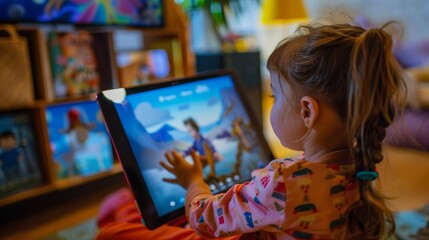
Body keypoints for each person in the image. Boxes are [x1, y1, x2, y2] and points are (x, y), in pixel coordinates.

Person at [96, 22, 406, 239]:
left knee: (113, 231)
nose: (271, 102)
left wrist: (193, 182)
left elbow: (205, 221)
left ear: (308, 112)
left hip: (219, 219)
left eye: (274, 95)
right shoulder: (362, 168)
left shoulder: (282, 183)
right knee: (126, 205)